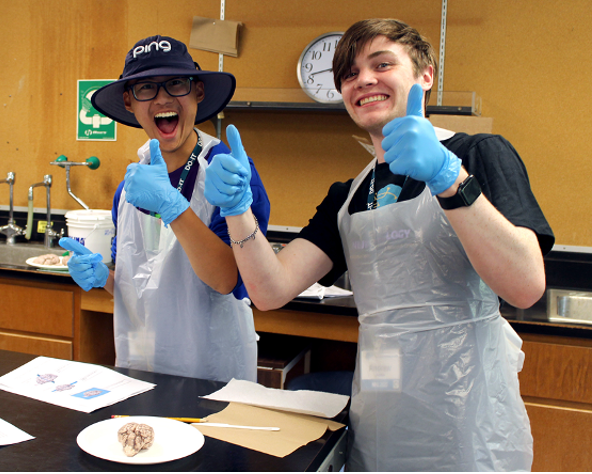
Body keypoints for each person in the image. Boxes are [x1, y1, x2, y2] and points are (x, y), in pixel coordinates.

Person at [203, 18, 554, 471]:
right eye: (348, 74)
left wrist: (449, 180)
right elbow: (270, 291)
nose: (363, 80)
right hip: (381, 415)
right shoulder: (348, 196)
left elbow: (525, 286)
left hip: (470, 416)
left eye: (382, 64)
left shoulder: (479, 154)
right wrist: (237, 210)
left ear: (425, 76)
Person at [59, 35, 270, 383]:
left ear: (197, 92)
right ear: (128, 101)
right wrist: (104, 278)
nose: (162, 98)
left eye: (175, 84)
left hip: (210, 370)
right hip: (141, 365)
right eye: (146, 88)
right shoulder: (131, 186)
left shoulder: (227, 172)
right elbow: (141, 284)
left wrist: (174, 207)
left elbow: (226, 280)